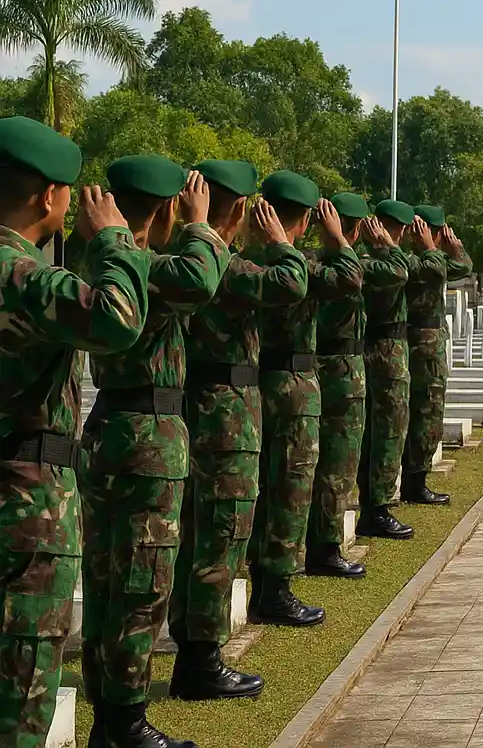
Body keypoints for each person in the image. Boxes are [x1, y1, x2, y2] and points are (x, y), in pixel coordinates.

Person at [0, 117, 150, 748]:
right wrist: (116, 240)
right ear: (50, 197)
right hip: (25, 501)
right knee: (22, 689)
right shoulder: (23, 277)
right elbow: (117, 319)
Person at [78, 156, 227, 748]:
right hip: (149, 436)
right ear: (165, 208)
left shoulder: (102, 262)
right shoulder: (144, 266)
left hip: (111, 424)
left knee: (109, 579)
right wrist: (200, 224)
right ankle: (125, 723)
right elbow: (204, 277)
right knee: (142, 583)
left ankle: (110, 720)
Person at [170, 160, 307, 701]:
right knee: (221, 535)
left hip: (208, 406)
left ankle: (197, 653)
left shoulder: (193, 259)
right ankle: (202, 660)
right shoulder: (224, 265)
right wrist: (279, 241)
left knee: (203, 533)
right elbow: (292, 282)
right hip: (224, 416)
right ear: (247, 209)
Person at [248, 173, 359, 629]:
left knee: (262, 487)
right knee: (291, 489)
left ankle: (264, 580)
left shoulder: (246, 259)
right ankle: (275, 588)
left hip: (254, 382)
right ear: (311, 218)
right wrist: (335, 238)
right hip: (293, 385)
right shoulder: (301, 266)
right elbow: (349, 278)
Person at [308, 195, 407, 580]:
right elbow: (398, 270)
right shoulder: (345, 265)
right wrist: (376, 243)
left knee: (333, 463)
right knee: (337, 465)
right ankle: (326, 548)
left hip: (333, 366)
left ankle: (324, 544)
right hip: (340, 369)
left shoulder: (319, 262)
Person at [353, 200, 420, 540]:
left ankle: (376, 504)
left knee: (385, 432)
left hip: (388, 351)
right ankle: (376, 508)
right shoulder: (374, 263)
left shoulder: (381, 260)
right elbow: (400, 271)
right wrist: (387, 246)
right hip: (383, 354)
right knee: (388, 431)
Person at [402, 205, 473, 504]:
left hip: (422, 342)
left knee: (421, 412)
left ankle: (414, 479)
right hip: (424, 345)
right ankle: (415, 482)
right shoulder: (421, 262)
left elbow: (462, 267)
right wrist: (443, 246)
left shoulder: (423, 260)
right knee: (426, 412)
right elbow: (459, 266)